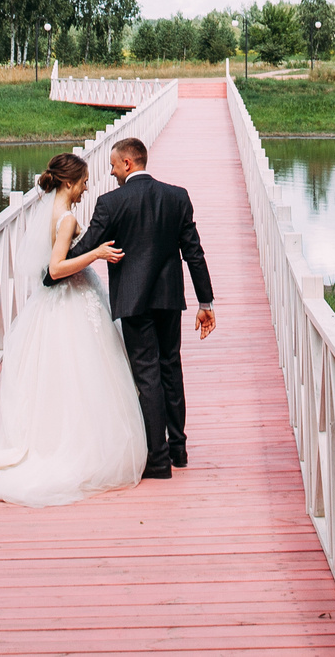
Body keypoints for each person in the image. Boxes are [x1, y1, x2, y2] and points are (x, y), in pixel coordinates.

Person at [0, 151, 147, 505]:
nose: (87, 188)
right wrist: (96, 253)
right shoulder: (67, 218)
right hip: (70, 300)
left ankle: (50, 438)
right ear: (69, 182)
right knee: (82, 374)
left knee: (56, 377)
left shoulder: (49, 212)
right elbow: (56, 269)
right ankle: (73, 447)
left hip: (51, 306)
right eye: (84, 181)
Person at [57, 135, 215, 478]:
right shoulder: (177, 196)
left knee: (147, 374)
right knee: (171, 368)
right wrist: (206, 301)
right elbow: (194, 252)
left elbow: (86, 247)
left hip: (132, 300)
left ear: (128, 163)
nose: (111, 173)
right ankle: (179, 450)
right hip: (170, 298)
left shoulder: (111, 203)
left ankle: (158, 461)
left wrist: (56, 262)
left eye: (113, 166)